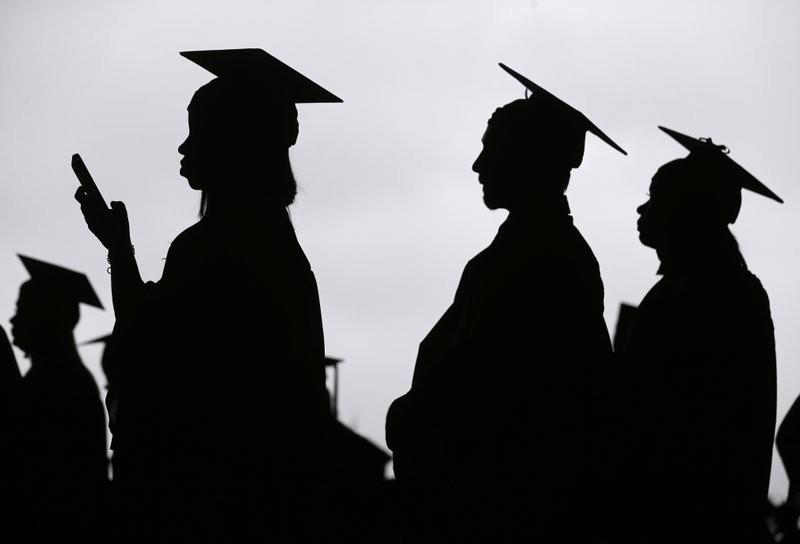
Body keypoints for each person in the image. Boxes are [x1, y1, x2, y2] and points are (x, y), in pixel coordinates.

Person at [75, 48, 340, 542]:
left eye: (198, 131)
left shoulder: (214, 249)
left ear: (234, 142)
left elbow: (147, 350)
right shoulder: (273, 248)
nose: (184, 146)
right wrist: (119, 249)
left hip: (208, 502)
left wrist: (121, 252)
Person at [386, 63, 626, 543]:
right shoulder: (531, 252)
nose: (478, 165)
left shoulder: (543, 259)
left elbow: (486, 386)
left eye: (492, 150)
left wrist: (411, 416)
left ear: (529, 159)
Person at [619, 126, 779, 544]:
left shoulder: (719, 295)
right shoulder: (693, 289)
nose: (642, 208)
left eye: (656, 196)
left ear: (686, 210)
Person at [4, 255, 108, 542]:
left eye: (22, 309)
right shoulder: (68, 378)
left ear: (47, 317)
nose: (13, 319)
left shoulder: (57, 383)